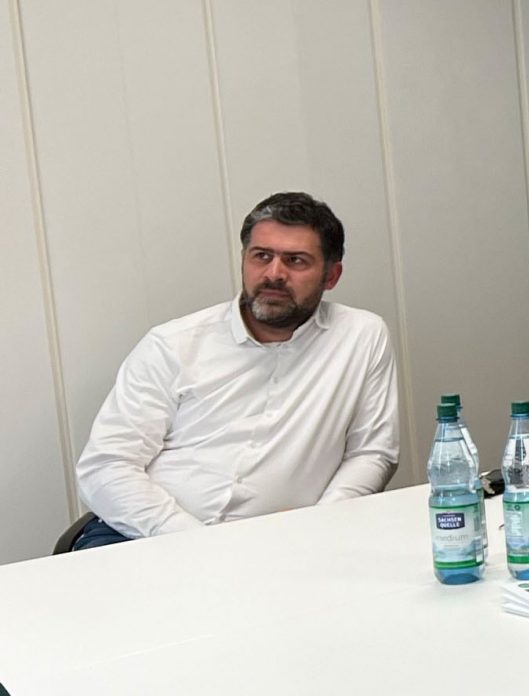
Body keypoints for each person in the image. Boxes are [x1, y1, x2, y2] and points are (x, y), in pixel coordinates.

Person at [73, 191, 399, 549]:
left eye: (296, 260)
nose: (274, 274)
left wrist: (320, 527)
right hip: (145, 535)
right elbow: (105, 465)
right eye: (261, 256)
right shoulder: (173, 343)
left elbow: (372, 453)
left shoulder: (361, 336)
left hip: (288, 545)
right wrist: (198, 544)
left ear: (331, 275)